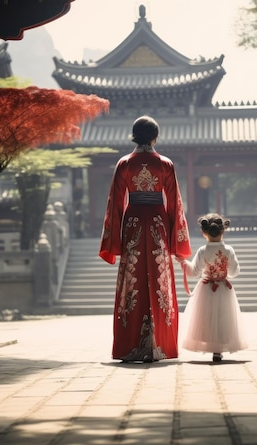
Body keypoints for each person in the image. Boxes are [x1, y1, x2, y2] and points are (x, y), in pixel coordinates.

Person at [99, 116, 191, 362]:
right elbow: (175, 205)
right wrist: (177, 241)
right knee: (160, 280)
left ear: (134, 136)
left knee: (133, 279)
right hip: (158, 225)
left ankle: (131, 346)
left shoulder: (124, 164)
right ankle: (159, 344)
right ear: (155, 137)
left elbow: (115, 205)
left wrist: (113, 243)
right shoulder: (165, 164)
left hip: (133, 225)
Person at [179, 213, 247, 362]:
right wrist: (224, 272)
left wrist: (183, 262)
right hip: (224, 288)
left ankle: (210, 345)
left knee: (207, 317)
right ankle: (219, 349)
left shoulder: (203, 250)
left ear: (204, 233)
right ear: (223, 231)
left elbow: (194, 272)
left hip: (206, 288)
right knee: (223, 317)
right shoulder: (228, 250)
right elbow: (235, 272)